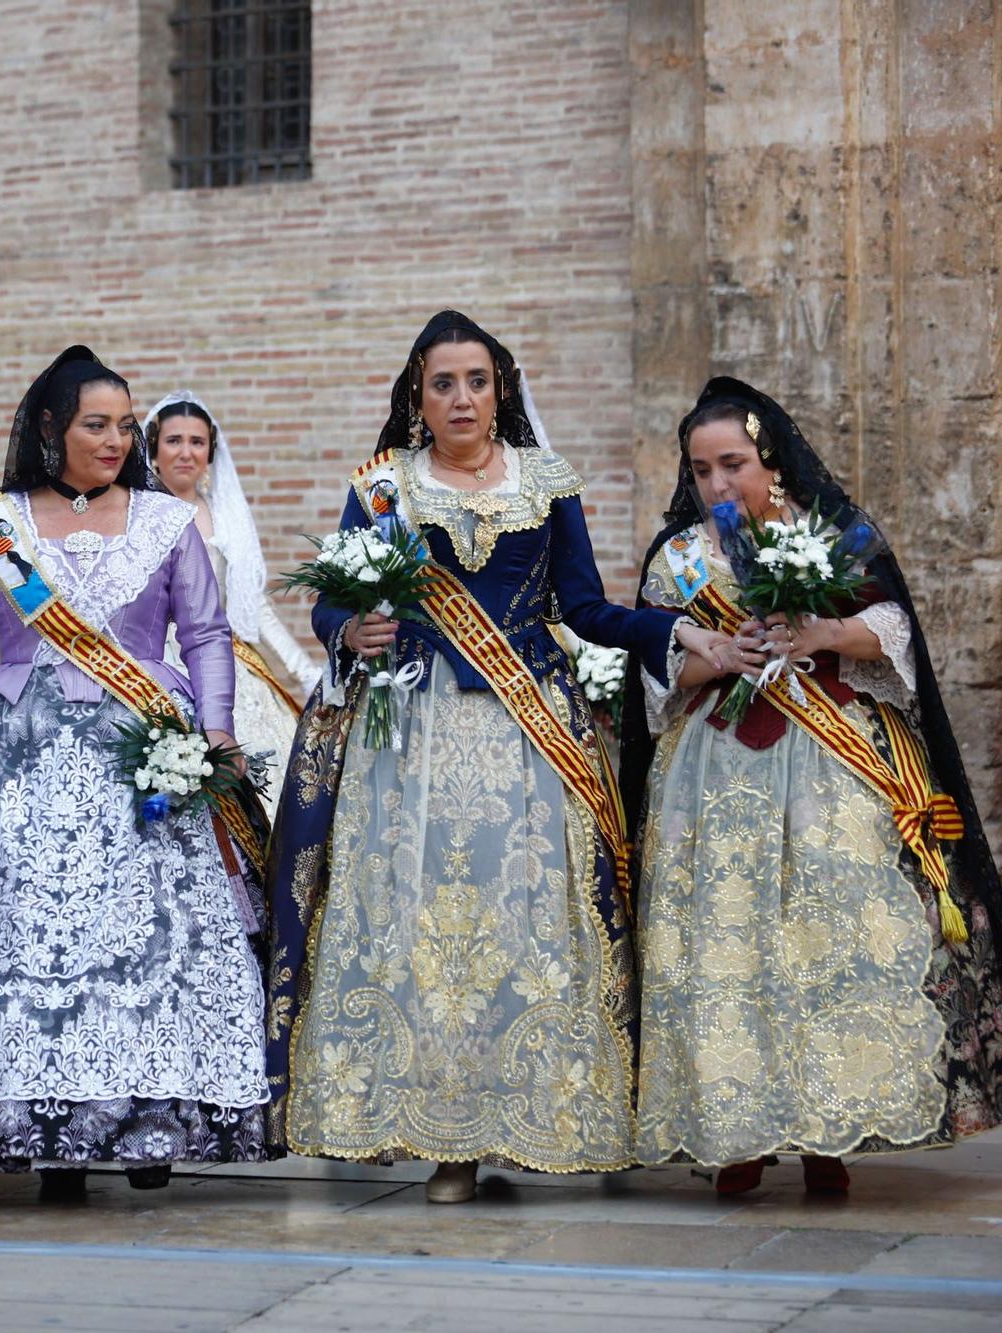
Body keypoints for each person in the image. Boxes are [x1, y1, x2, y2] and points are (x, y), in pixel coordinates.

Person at [269, 311, 735, 1203]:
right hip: (412, 737)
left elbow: (588, 607)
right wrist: (349, 626)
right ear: (418, 394)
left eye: (477, 381)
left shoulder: (547, 481)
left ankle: (547, 1113)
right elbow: (333, 603)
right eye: (442, 384)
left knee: (529, 923)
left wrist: (676, 635)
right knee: (427, 932)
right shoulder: (382, 486)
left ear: (502, 389)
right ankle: (451, 1142)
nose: (462, 399)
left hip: (532, 735)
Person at [623, 377, 1002, 1194]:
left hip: (829, 765)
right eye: (701, 470)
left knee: (824, 933)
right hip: (715, 768)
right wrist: (718, 654)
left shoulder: (831, 536)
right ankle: (737, 1131)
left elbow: (893, 630)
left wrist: (822, 630)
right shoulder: (680, 558)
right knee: (724, 939)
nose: (718, 485)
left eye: (732, 465)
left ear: (772, 461)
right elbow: (654, 670)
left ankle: (830, 1126)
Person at [0, 346, 269, 1194]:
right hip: (14, 761)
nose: (115, 440)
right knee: (18, 942)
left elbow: (208, 633)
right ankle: (45, 1135)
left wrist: (214, 731)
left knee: (153, 939)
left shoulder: (164, 522)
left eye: (124, 426)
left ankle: (152, 1122)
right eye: (95, 425)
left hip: (143, 756)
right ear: (50, 428)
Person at [146, 390, 317, 819]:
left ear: (210, 453)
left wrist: (304, 672)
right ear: (153, 448)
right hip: (152, 662)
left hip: (224, 660)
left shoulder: (224, 516)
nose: (186, 452)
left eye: (197, 442)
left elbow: (252, 605)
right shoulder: (134, 512)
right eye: (174, 440)